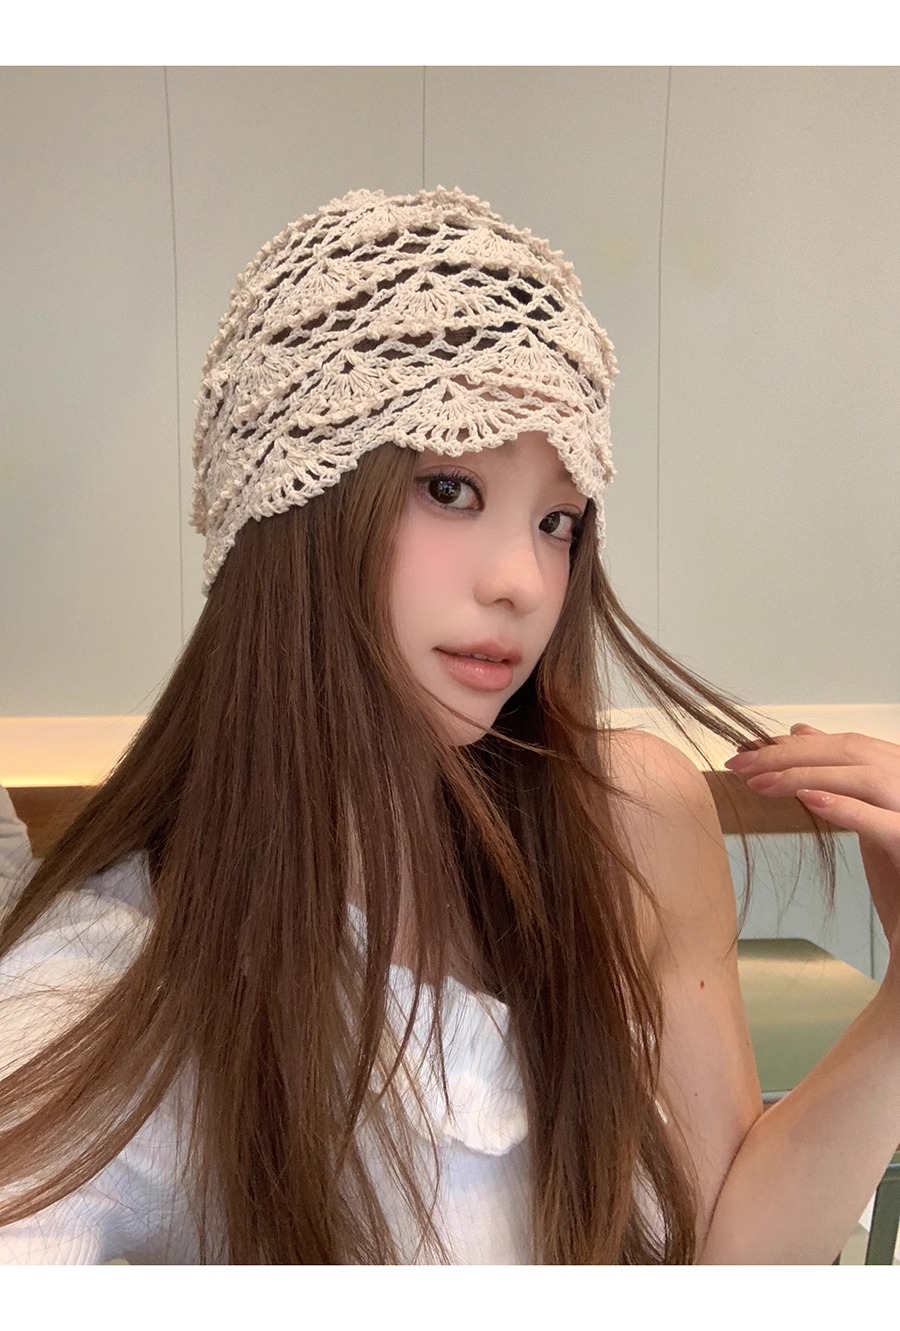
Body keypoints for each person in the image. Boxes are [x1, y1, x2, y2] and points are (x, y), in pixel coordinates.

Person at [1, 186, 898, 1265]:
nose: (525, 580)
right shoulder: (121, 976)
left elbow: (726, 1262)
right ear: (292, 505)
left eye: (557, 518)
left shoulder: (629, 823)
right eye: (449, 487)